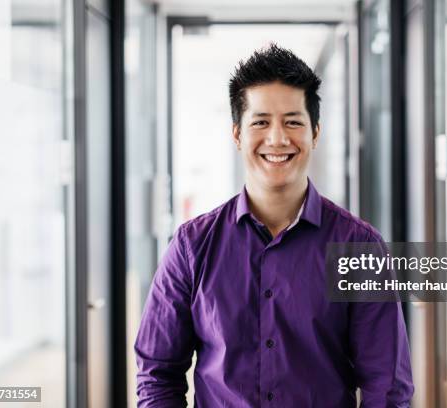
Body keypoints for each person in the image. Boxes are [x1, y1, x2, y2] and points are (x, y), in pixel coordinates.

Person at [135, 44, 414, 407]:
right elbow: (157, 374)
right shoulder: (192, 247)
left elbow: (387, 387)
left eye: (293, 122)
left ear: (315, 132)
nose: (278, 138)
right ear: (237, 134)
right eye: (261, 122)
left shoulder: (358, 247)